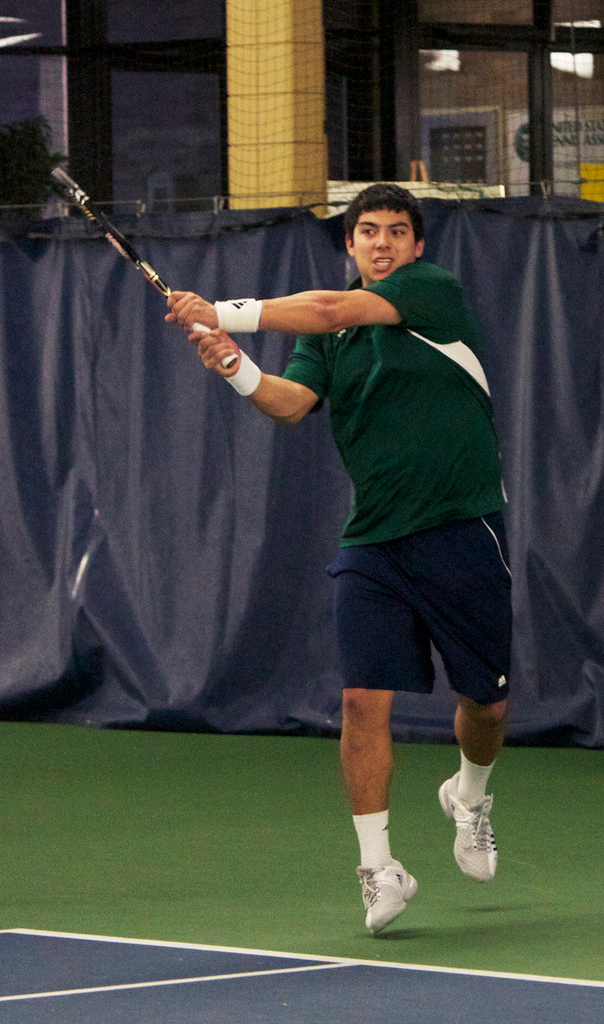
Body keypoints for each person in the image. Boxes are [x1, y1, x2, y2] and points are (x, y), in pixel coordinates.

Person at [166, 183, 511, 935]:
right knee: (361, 700)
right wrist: (233, 366)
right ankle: (377, 867)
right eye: (366, 232)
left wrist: (219, 311)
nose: (381, 243)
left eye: (394, 231)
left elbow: (327, 307)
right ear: (348, 244)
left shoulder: (430, 293)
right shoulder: (330, 335)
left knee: (485, 706)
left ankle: (470, 795)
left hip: (460, 526)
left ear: (415, 247)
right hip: (372, 540)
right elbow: (291, 403)